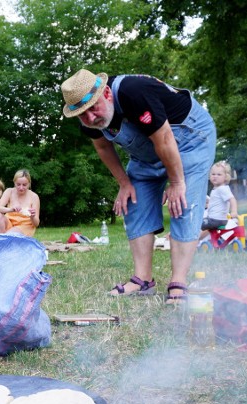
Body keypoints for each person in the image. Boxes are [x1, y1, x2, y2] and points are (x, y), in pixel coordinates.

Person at [60, 69, 216, 302]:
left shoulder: (133, 93)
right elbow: (103, 147)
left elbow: (164, 138)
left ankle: (178, 282)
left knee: (183, 205)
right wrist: (124, 183)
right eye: (83, 115)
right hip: (149, 151)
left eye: (94, 108)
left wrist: (176, 182)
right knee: (135, 202)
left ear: (106, 93)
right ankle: (143, 281)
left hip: (190, 140)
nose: (91, 118)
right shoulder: (89, 120)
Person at [0, 169, 41, 237]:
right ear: (14, 182)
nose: (21, 188)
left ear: (29, 184)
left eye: (24, 185)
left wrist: (32, 216)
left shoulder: (34, 196)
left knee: (11, 234)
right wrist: (11, 209)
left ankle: (3, 240)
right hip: (9, 222)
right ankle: (1, 242)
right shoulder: (9, 191)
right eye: (18, 184)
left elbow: (36, 224)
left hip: (24, 226)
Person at [199, 161, 239, 240]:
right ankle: (204, 240)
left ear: (226, 177)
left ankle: (195, 241)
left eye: (219, 174)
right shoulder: (217, 189)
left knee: (199, 225)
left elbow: (232, 199)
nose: (215, 176)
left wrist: (234, 211)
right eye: (213, 174)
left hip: (215, 219)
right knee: (206, 226)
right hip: (217, 219)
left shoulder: (222, 189)